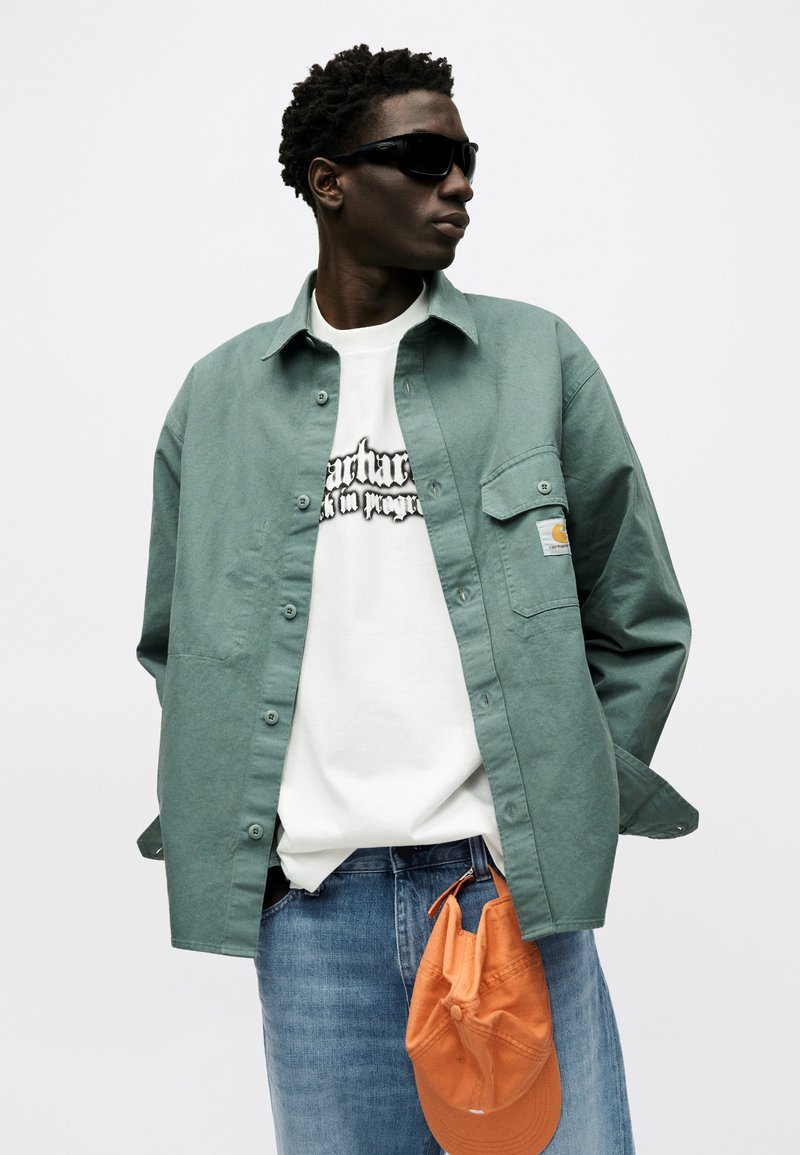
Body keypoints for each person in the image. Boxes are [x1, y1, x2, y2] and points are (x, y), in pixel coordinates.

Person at [135, 44, 699, 1155]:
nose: (459, 185)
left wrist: (563, 799)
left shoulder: (537, 360)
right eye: (423, 157)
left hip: (500, 895)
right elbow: (177, 646)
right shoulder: (217, 397)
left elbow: (637, 619)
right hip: (314, 910)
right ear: (327, 179)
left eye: (466, 159)